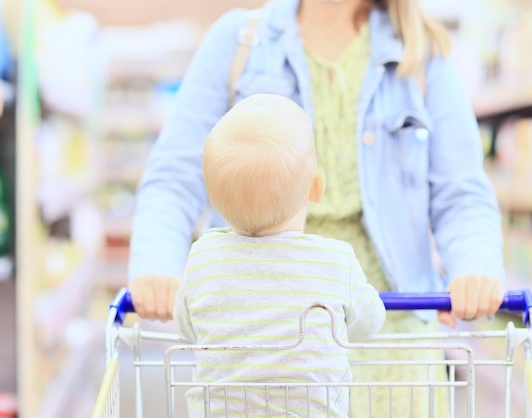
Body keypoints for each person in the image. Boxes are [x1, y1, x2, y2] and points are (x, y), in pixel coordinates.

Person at [128, 0, 506, 415]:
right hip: (267, 350)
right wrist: (157, 265)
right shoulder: (239, 41)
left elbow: (461, 192)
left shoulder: (419, 50)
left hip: (395, 350)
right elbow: (175, 176)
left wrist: (474, 267)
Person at [172, 93, 386, 417]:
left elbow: (187, 326)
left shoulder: (204, 258)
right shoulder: (335, 261)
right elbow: (370, 323)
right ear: (316, 188)